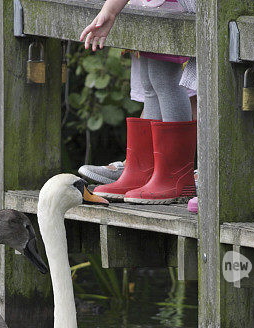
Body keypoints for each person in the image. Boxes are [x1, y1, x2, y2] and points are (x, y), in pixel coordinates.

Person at [80, 0, 197, 204]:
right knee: (150, 84)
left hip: (176, 8)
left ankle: (175, 177)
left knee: (166, 81)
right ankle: (146, 173)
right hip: (154, 6)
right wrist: (110, 10)